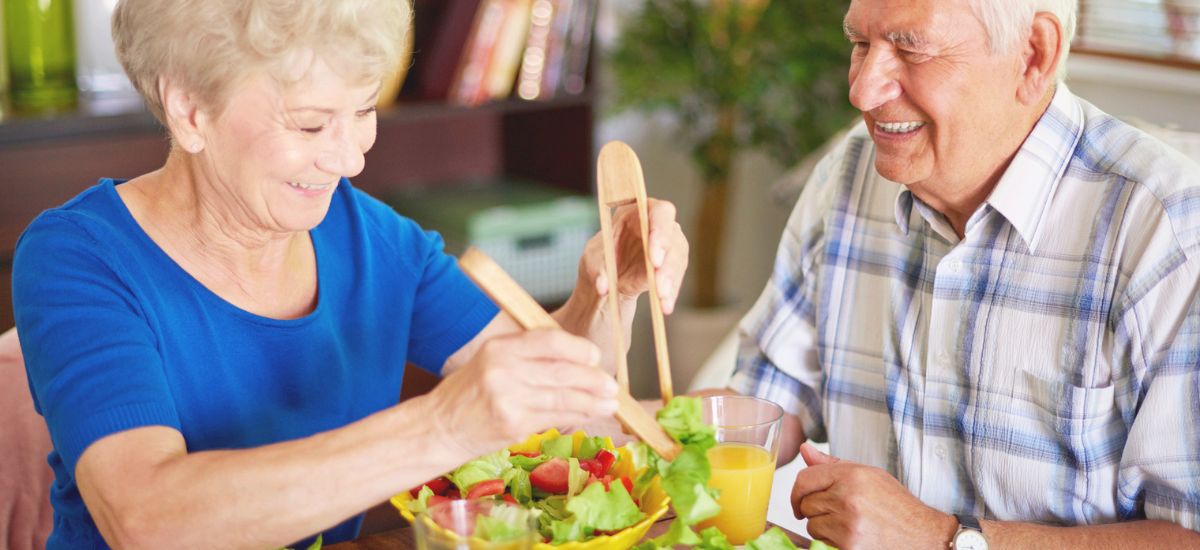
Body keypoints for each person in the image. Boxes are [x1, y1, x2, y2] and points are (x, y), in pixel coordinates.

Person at [10, 1, 689, 548]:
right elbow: (146, 521)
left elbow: (561, 409)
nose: (350, 159)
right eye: (310, 125)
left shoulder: (374, 240)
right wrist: (444, 428)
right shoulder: (81, 257)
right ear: (191, 110)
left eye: (363, 112)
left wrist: (608, 292)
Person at [724, 0, 1200, 548]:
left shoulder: (1167, 231)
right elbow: (763, 408)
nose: (862, 91)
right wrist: (610, 347)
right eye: (860, 45)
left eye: (910, 48)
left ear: (1033, 55)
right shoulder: (847, 175)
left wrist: (942, 538)